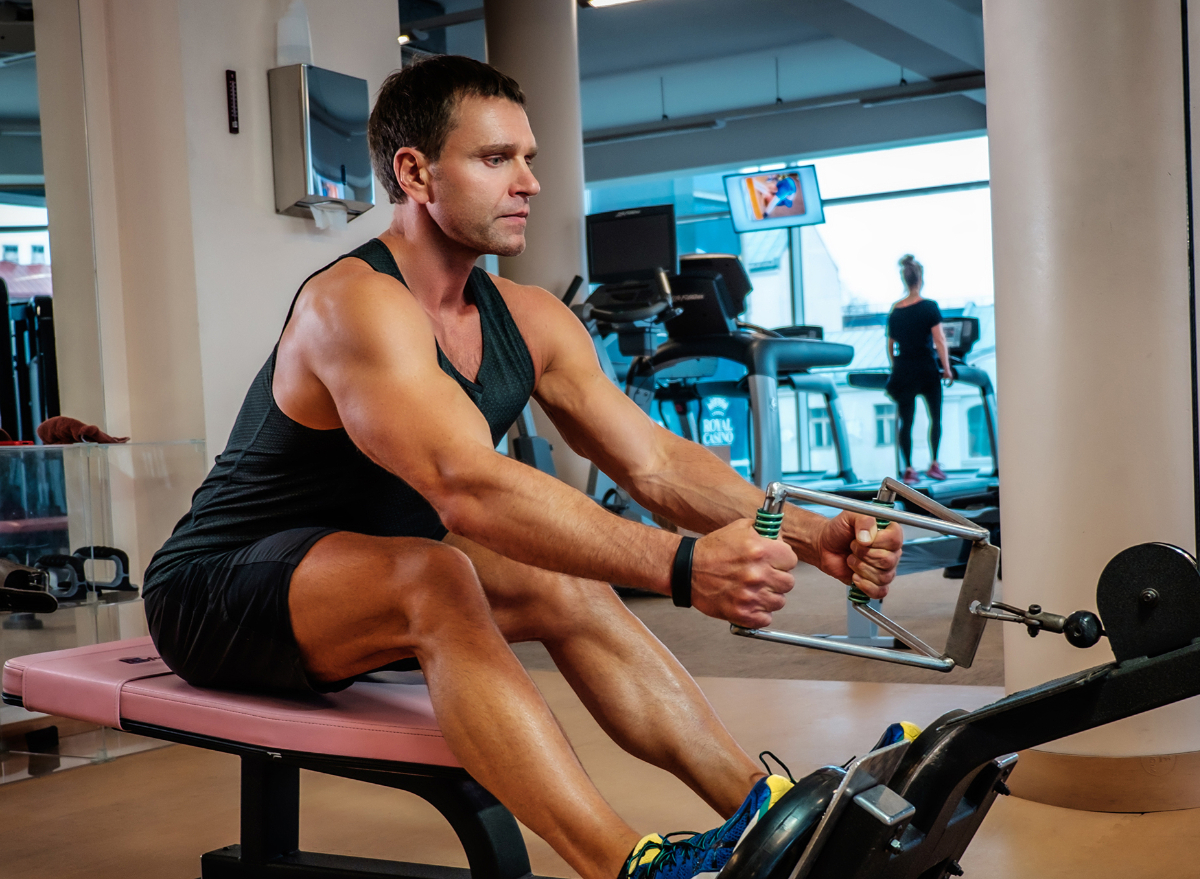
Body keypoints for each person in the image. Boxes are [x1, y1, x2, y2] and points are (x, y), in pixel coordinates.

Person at [142, 56, 903, 879]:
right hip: (218, 589)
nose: (530, 182)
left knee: (559, 581)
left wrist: (808, 530)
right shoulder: (351, 303)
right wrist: (682, 565)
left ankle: (774, 816)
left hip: (362, 568)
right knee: (436, 577)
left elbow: (654, 461)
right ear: (415, 171)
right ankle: (630, 866)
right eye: (496, 158)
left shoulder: (528, 318)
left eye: (529, 158)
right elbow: (464, 486)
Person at [885, 254, 954, 485]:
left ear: (904, 280)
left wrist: (897, 367)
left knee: (907, 421)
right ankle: (934, 464)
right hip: (926, 367)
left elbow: (890, 345)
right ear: (920, 279)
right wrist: (947, 369)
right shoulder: (929, 307)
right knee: (935, 417)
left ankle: (909, 469)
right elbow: (940, 341)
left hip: (905, 369)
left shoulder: (896, 310)